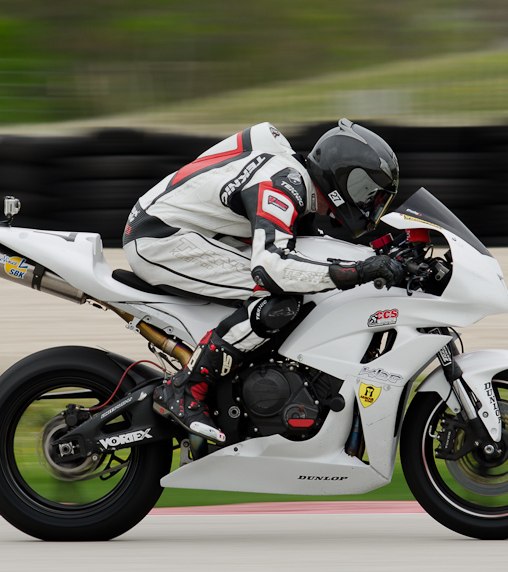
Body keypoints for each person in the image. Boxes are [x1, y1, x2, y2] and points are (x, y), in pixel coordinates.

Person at [122, 119, 403, 443]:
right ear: (341, 177)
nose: (371, 204)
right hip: (161, 239)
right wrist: (357, 273)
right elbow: (272, 269)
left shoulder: (296, 181)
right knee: (280, 298)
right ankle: (184, 389)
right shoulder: (284, 184)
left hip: (188, 231)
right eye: (366, 191)